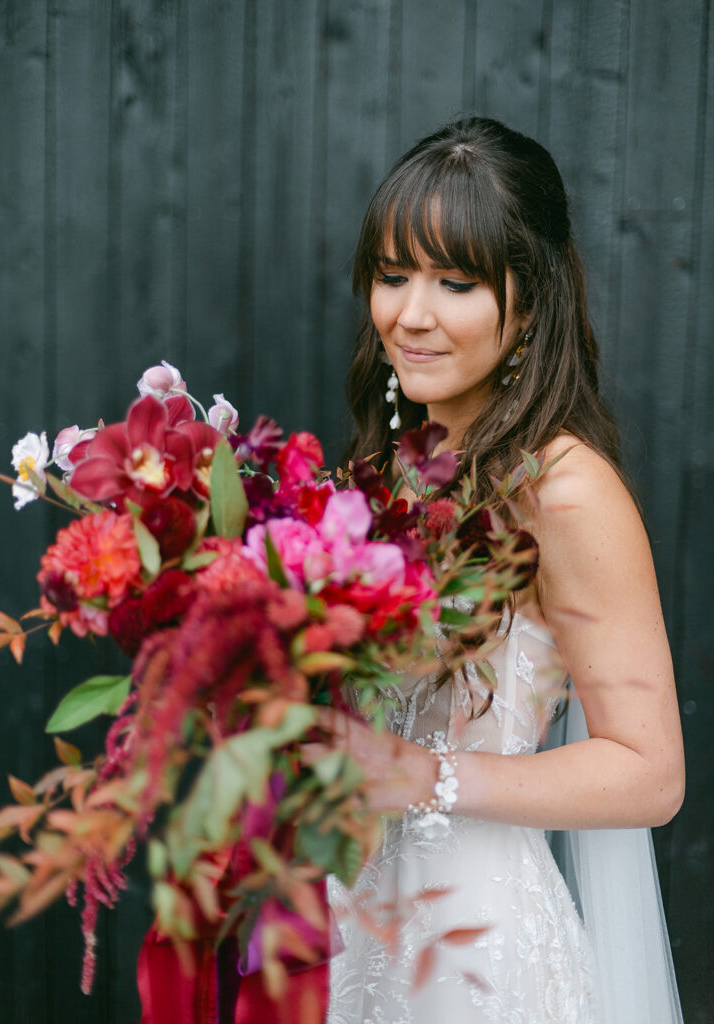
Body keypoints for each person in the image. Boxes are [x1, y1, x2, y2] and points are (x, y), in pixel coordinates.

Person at [315, 117, 686, 1023]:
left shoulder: (567, 490)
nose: (411, 313)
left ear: (530, 300)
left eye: (456, 282)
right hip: (356, 918)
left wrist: (426, 776)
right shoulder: (389, 466)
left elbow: (651, 772)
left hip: (482, 950)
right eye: (393, 275)